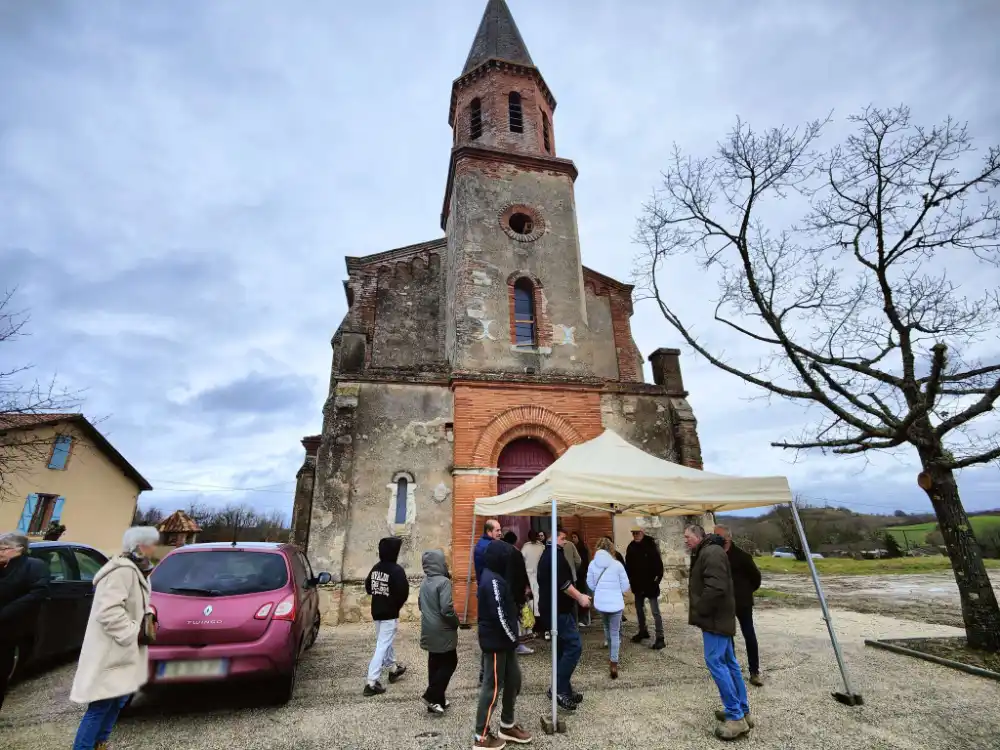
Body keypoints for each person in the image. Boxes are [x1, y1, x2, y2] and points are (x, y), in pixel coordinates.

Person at [70, 526, 159, 750]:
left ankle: (100, 744)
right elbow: (108, 610)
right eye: (151, 543)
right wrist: (132, 631)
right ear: (139, 546)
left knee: (117, 702)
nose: (154, 548)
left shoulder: (137, 570)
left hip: (124, 652)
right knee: (101, 705)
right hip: (113, 650)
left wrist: (148, 614)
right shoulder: (122, 571)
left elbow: (133, 604)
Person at [684, 524, 752, 741]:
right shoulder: (710, 551)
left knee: (716, 662)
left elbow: (716, 588)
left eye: (687, 537)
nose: (685, 541)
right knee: (729, 662)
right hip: (720, 618)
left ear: (697, 536)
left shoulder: (711, 552)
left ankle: (735, 716)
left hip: (715, 619)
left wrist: (701, 609)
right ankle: (743, 711)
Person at [473, 540, 532, 748]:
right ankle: (481, 736)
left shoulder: (496, 578)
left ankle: (507, 725)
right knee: (492, 688)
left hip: (505, 642)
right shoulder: (493, 581)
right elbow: (500, 615)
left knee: (514, 680)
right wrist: (514, 638)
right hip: (497, 643)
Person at [537, 528, 591, 712]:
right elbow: (564, 584)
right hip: (557, 610)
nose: (565, 541)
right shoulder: (553, 557)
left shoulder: (551, 554)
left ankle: (564, 689)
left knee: (562, 649)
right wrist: (580, 597)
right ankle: (558, 689)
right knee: (574, 646)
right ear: (552, 537)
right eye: (562, 538)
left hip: (554, 609)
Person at [0, 532, 50, 714]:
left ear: (19, 549)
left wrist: (5, 612)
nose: (0, 551)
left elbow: (38, 593)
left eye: (4, 548)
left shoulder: (34, 566)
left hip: (11, 629)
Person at [714, 525, 764, 686]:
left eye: (718, 536)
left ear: (727, 538)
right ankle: (732, 670)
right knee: (728, 638)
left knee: (749, 634)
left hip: (742, 603)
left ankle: (754, 671)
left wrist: (746, 592)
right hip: (724, 603)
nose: (714, 539)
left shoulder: (743, 557)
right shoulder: (715, 557)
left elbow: (756, 578)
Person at [363, 537, 409, 696]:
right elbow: (403, 593)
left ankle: (393, 668)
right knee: (382, 645)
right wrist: (395, 604)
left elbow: (368, 587)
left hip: (376, 611)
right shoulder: (396, 570)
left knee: (384, 641)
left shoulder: (376, 568)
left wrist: (380, 594)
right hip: (390, 614)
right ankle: (371, 682)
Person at [418, 549, 459, 714]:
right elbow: (446, 608)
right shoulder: (444, 582)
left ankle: (438, 700)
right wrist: (455, 622)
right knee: (450, 662)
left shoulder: (424, 582)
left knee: (434, 662)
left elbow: (421, 605)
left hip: (428, 627)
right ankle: (431, 695)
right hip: (442, 629)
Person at [587, 537, 630, 679]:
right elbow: (625, 586)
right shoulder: (617, 564)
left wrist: (599, 591)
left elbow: (590, 584)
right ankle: (613, 663)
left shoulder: (593, 564)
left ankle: (610, 651)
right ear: (610, 549)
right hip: (616, 603)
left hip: (601, 603)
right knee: (615, 632)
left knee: (606, 628)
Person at [625, 527, 665, 649]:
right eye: (633, 533)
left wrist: (656, 581)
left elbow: (659, 566)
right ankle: (643, 631)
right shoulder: (631, 546)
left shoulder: (651, 545)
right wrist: (631, 580)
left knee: (655, 611)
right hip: (638, 585)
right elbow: (628, 565)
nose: (635, 535)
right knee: (639, 610)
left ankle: (660, 637)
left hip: (651, 585)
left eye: (637, 533)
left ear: (642, 533)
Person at [475, 520, 503, 684]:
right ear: (489, 531)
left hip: (485, 591)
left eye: (500, 530)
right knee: (492, 632)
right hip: (490, 593)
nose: (500, 533)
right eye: (497, 530)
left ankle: (486, 672)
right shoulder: (489, 548)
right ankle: (486, 673)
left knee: (490, 632)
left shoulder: (483, 544)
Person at [502, 532, 534, 656]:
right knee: (517, 619)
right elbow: (522, 573)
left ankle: (510, 643)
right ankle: (518, 644)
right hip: (516, 591)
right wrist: (526, 588)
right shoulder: (515, 553)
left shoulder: (501, 553)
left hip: (505, 590)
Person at [570, 532, 591, 627]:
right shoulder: (572, 548)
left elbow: (584, 563)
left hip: (582, 576)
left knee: (583, 596)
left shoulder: (582, 549)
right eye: (572, 537)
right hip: (575, 576)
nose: (573, 539)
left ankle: (584, 619)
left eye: (575, 537)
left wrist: (581, 571)